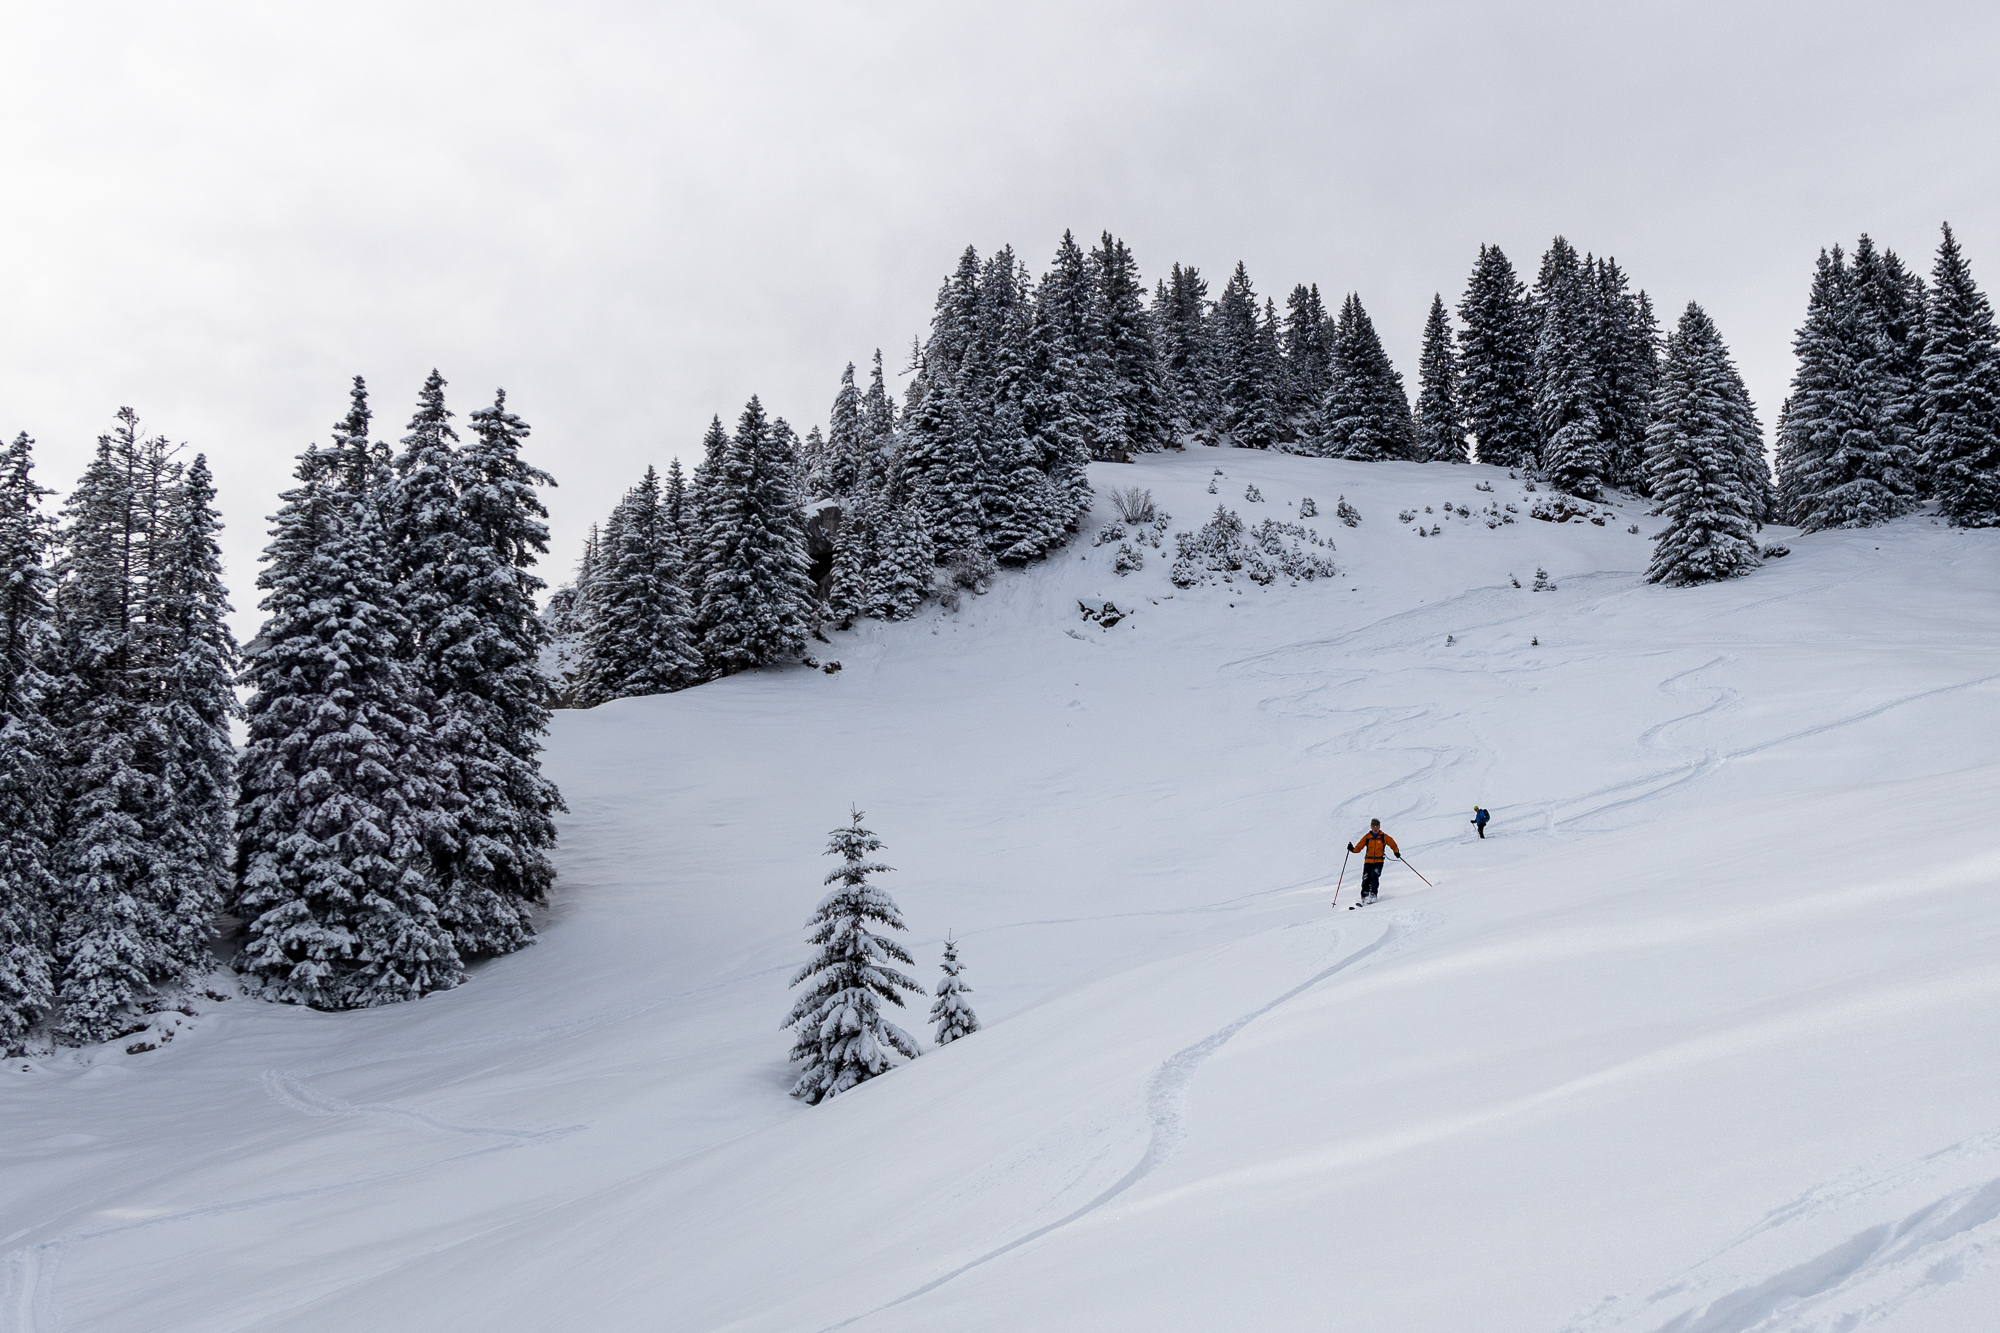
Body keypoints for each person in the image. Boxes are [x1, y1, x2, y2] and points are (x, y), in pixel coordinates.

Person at [1346, 818, 1399, 906]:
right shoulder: (1367, 837)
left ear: (1379, 827)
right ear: (1371, 827)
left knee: (1374, 875)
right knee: (1366, 878)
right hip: (1368, 861)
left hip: (1379, 861)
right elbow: (1359, 847)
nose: (1375, 828)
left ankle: (1373, 895)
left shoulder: (1383, 837)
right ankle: (1365, 896)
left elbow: (1393, 844)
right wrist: (1352, 849)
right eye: (1374, 826)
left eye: (1377, 826)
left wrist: (1396, 852)